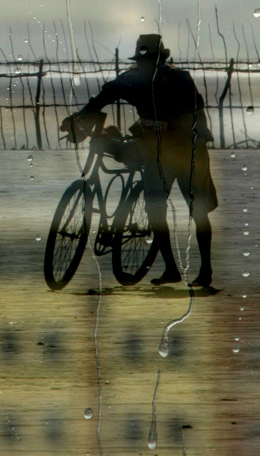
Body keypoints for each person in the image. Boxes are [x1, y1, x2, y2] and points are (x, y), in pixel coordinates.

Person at [70, 33, 217, 288]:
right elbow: (103, 96)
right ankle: (171, 268)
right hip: (155, 152)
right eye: (143, 61)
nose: (146, 65)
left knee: (197, 211)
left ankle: (206, 271)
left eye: (151, 61)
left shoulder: (178, 79)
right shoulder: (131, 79)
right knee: (155, 210)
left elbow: (197, 113)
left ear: (161, 60)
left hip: (186, 151)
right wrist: (81, 116)